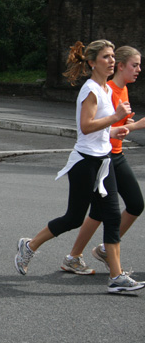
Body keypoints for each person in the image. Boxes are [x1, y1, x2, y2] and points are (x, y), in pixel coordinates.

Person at [14, 40, 145, 294]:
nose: (110, 61)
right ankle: (29, 246)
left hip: (104, 161)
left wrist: (123, 127)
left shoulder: (106, 90)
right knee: (74, 217)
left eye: (111, 57)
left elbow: (104, 130)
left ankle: (116, 277)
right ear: (92, 63)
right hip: (86, 163)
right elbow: (86, 127)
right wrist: (116, 117)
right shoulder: (91, 90)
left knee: (111, 216)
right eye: (105, 57)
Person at [60, 46, 145, 275]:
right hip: (105, 156)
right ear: (121, 66)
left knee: (130, 205)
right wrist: (136, 125)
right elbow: (102, 126)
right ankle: (80, 256)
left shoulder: (122, 89)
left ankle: (90, 254)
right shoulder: (108, 90)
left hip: (114, 154)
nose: (139, 69)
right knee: (101, 212)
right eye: (134, 65)